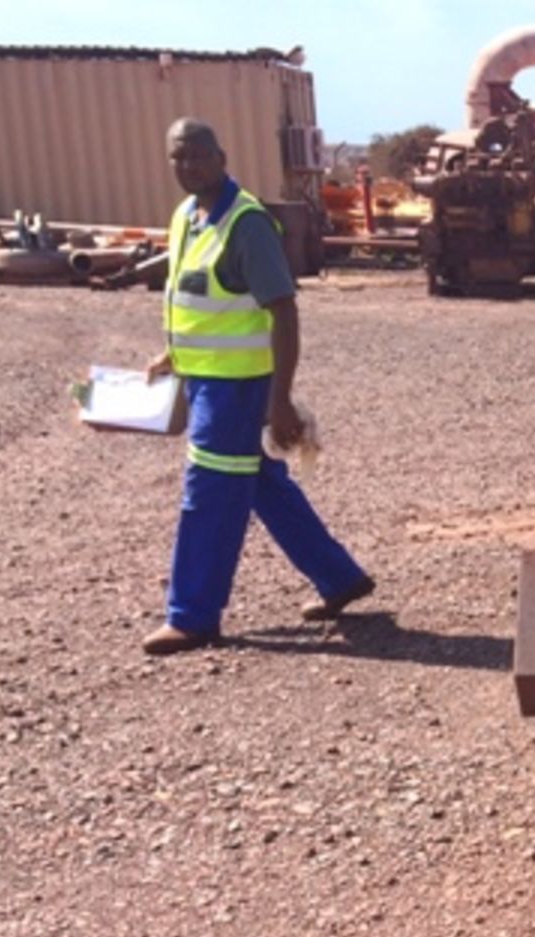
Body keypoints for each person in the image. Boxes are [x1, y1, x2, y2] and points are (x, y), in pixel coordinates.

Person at [141, 117, 374, 655]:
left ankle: (192, 615)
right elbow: (200, 303)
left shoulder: (245, 224)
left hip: (237, 392)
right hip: (205, 383)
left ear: (222, 157)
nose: (188, 166)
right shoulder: (187, 217)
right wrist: (173, 355)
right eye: (178, 157)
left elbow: (283, 314)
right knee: (263, 486)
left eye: (198, 155)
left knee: (209, 498)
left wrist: (280, 398)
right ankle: (340, 578)